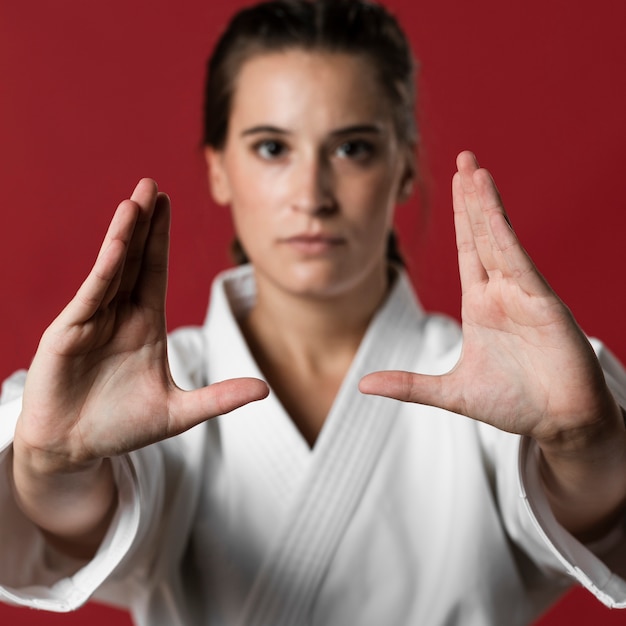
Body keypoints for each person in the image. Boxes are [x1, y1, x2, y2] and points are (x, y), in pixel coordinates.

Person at [1, 0, 626, 624]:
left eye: (352, 148)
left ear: (404, 167)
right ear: (218, 168)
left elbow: (594, 517)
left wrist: (584, 446)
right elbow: (68, 529)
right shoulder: (139, 391)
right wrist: (52, 464)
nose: (311, 197)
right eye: (272, 148)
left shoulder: (506, 382)